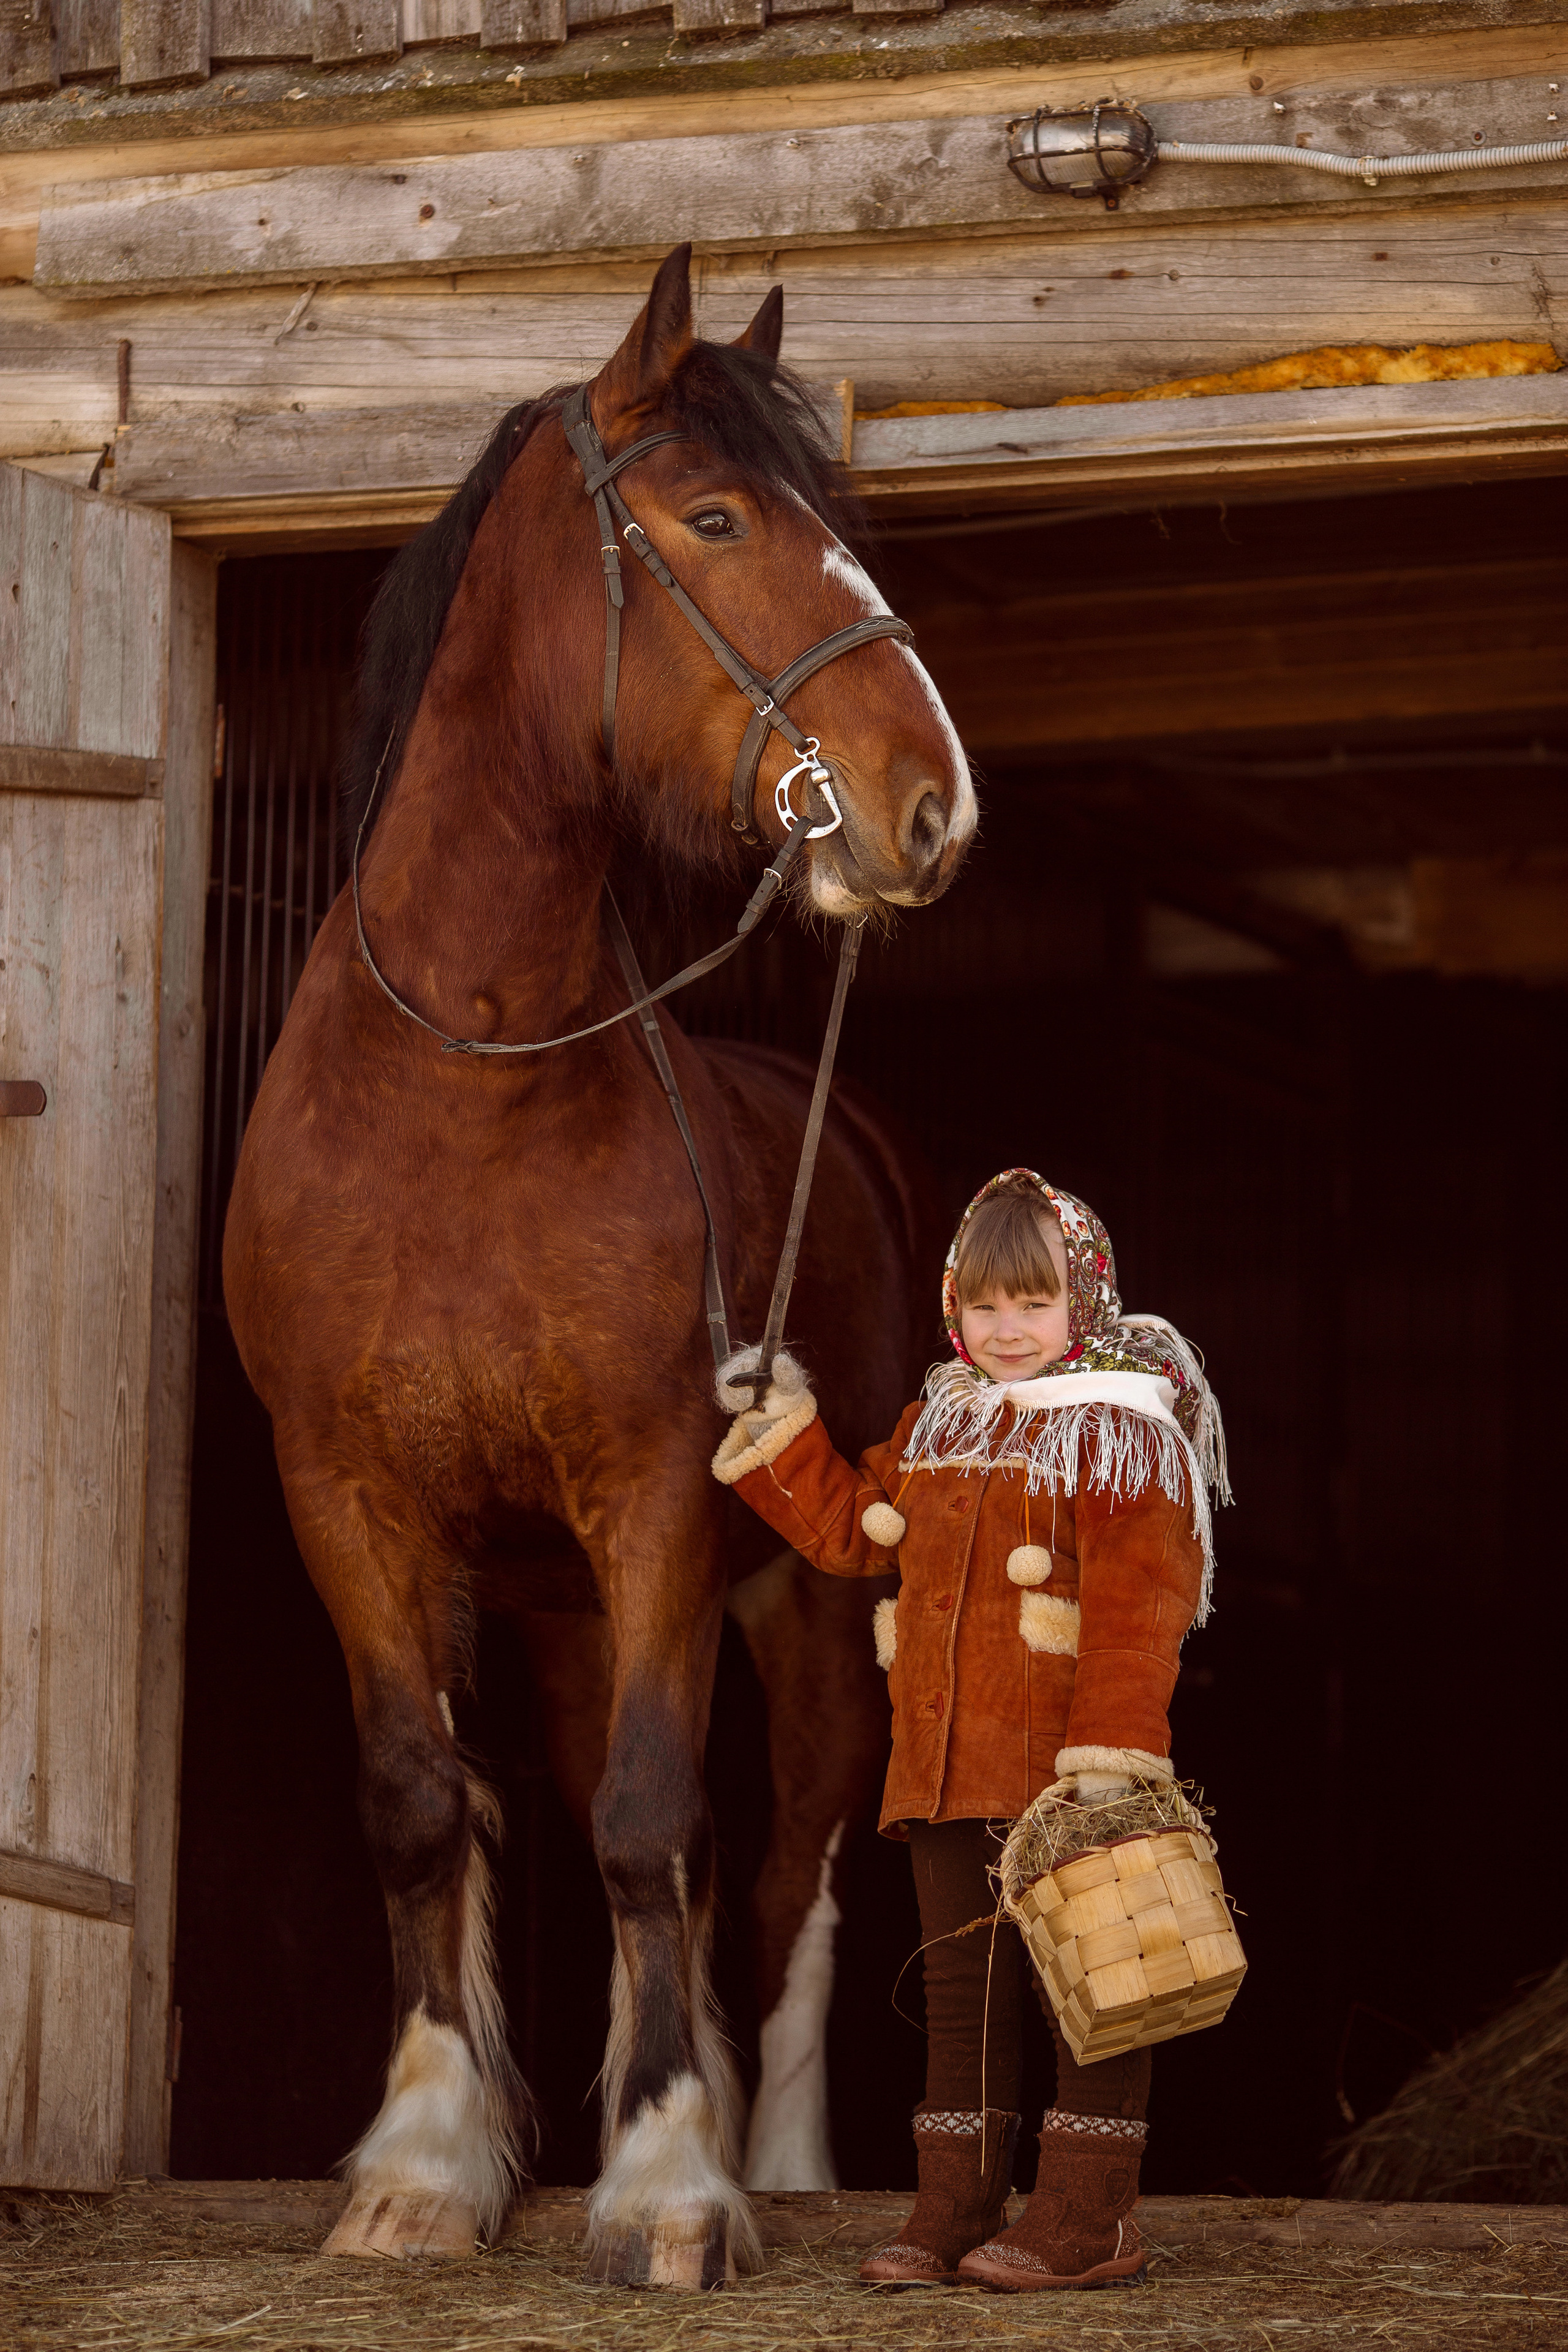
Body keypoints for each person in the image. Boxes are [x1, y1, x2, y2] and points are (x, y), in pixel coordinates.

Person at [710, 1168, 1228, 2292]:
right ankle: (955, 2208)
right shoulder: (936, 1423)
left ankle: (1090, 2221)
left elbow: (1145, 1601)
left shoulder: (1120, 1431)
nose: (1006, 1331)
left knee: (1095, 1983)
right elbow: (854, 1532)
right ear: (956, 1305)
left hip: (1069, 1779)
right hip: (942, 1766)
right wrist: (777, 1434)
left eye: (1033, 1306)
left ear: (1081, 1303)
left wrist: (1115, 1762)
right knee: (965, 1991)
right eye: (985, 1305)